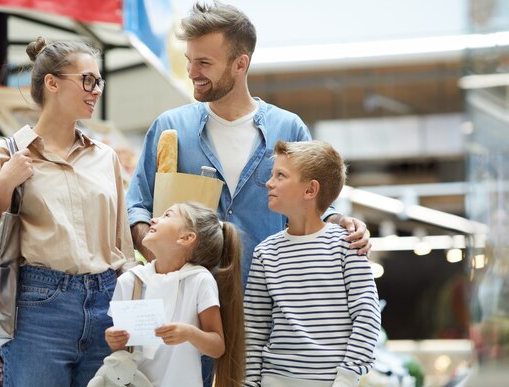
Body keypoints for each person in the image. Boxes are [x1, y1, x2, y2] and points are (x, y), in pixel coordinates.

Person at [126, 0, 371, 287]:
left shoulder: (288, 128)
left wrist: (342, 222)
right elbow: (138, 208)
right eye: (189, 60)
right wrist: (159, 262)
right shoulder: (169, 129)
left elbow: (314, 207)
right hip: (190, 306)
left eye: (204, 63)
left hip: (271, 302)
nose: (192, 73)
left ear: (240, 63)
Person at [0, 36, 136, 387]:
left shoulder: (104, 157)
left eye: (99, 81)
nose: (96, 91)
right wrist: (5, 184)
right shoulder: (6, 154)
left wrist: (134, 310)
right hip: (39, 308)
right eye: (88, 80)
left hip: (106, 304)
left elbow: (122, 246)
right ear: (52, 83)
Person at [243, 140, 381, 387]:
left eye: (280, 176)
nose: (269, 183)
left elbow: (367, 316)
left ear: (310, 189)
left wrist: (346, 380)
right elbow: (253, 331)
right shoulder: (265, 253)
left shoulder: (347, 245)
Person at [105, 201, 245, 387]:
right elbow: (123, 352)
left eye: (167, 215)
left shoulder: (200, 281)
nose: (153, 219)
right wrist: (115, 341)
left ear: (187, 238)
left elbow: (218, 346)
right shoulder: (129, 282)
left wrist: (189, 332)